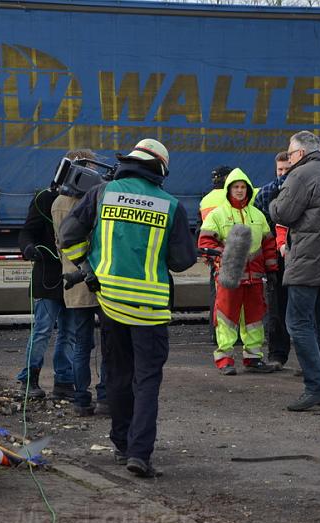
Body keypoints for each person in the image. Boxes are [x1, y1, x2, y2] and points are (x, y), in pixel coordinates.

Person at [59, 138, 196, 477]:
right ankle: (139, 454)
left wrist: (87, 269)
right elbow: (181, 261)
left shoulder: (102, 193)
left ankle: (121, 445)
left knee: (117, 375)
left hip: (110, 302)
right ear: (161, 169)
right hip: (150, 307)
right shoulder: (171, 205)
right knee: (146, 379)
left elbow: (68, 236)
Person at [269, 131, 320, 412]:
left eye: (290, 154)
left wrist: (273, 199)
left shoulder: (301, 175)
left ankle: (315, 386)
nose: (288, 159)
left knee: (298, 324)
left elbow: (283, 213)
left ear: (300, 154)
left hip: (307, 260)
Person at [199, 168, 277, 376]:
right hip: (229, 279)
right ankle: (224, 358)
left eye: (243, 187)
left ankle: (253, 357)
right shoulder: (218, 214)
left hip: (254, 279)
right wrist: (222, 260)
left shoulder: (257, 215)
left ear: (248, 190)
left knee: (255, 319)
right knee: (226, 318)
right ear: (229, 189)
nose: (240, 191)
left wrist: (271, 269)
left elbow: (269, 244)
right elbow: (205, 242)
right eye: (236, 187)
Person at [51, 149, 109, 417]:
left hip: (72, 281)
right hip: (98, 277)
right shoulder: (96, 198)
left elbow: (61, 240)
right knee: (107, 343)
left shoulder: (57, 203)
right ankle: (106, 397)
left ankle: (80, 399)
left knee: (80, 345)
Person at [16, 182, 75, 400]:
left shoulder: (86, 199)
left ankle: (64, 381)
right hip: (48, 277)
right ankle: (29, 378)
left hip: (72, 279)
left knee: (69, 334)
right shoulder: (44, 199)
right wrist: (29, 249)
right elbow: (27, 232)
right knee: (43, 331)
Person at [254, 152, 292, 371]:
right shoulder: (266, 193)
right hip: (276, 259)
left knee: (298, 307)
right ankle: (278, 353)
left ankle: (283, 354)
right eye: (280, 170)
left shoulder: (301, 189)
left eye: (287, 169)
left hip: (295, 255)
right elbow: (259, 227)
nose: (283, 174)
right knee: (276, 308)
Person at [197, 166, 233, 342]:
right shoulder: (233, 197)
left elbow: (200, 229)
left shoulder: (206, 200)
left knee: (216, 295)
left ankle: (215, 334)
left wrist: (206, 253)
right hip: (234, 252)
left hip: (215, 254)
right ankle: (236, 335)